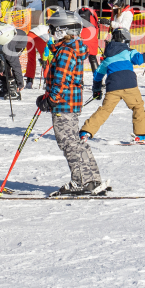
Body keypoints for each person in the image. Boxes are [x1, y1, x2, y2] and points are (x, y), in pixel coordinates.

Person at [36, 10, 107, 196]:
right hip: (69, 103)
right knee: (76, 142)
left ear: (62, 30)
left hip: (63, 104)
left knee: (69, 143)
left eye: (53, 29)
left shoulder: (66, 51)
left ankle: (80, 181)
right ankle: (92, 178)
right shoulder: (71, 48)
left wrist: (51, 100)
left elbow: (61, 79)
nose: (51, 33)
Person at [80, 27, 145, 143]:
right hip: (129, 85)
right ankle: (142, 134)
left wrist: (97, 89)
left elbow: (97, 74)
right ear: (126, 41)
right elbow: (139, 59)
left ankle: (86, 131)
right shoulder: (128, 52)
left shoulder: (107, 59)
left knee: (104, 110)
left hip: (113, 88)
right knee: (138, 107)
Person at [24, 24, 51, 89]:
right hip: (38, 37)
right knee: (46, 60)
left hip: (29, 35)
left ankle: (29, 81)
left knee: (31, 59)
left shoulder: (43, 27)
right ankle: (46, 82)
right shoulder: (51, 31)